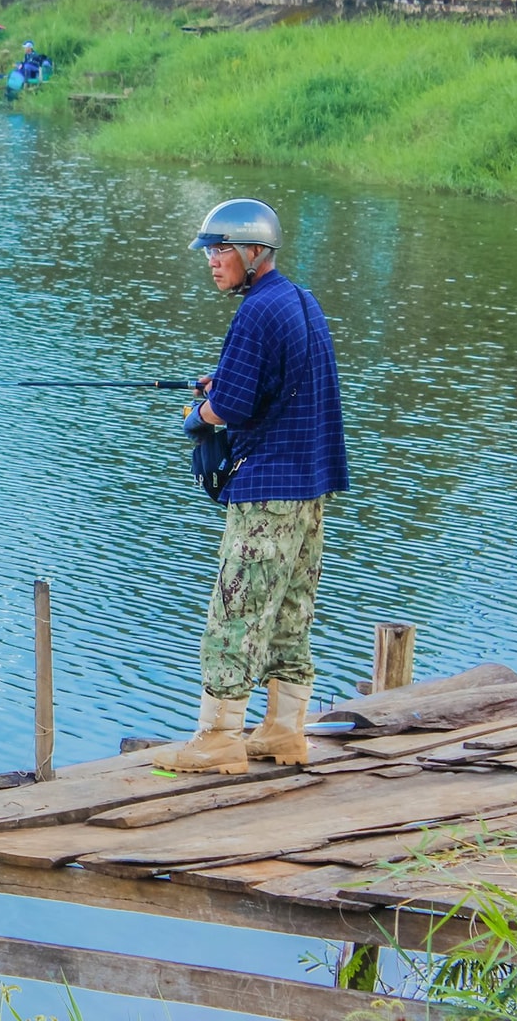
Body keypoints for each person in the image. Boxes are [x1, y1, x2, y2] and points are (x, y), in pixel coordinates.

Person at [153, 199, 349, 775]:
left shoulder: (256, 313)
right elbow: (269, 385)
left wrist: (197, 415)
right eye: (210, 251)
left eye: (220, 250)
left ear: (253, 251)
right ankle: (284, 733)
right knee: (290, 612)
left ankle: (217, 740)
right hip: (310, 488)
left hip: (267, 494)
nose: (212, 261)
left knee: (234, 613)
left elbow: (232, 405)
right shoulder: (298, 302)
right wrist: (223, 386)